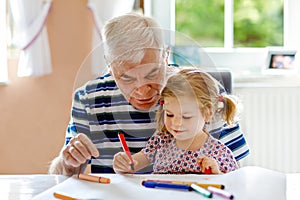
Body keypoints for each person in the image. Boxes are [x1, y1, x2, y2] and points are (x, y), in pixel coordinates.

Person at [48, 13, 249, 176]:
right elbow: (61, 177)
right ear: (110, 67)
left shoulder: (201, 90)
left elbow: (236, 174)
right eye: (127, 78)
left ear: (166, 56)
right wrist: (69, 163)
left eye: (152, 73)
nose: (142, 90)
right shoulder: (88, 99)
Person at [113, 69, 239, 174]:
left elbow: (233, 187)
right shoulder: (160, 141)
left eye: (186, 117)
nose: (176, 123)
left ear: (208, 113)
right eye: (170, 114)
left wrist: (217, 174)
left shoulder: (219, 153)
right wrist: (123, 164)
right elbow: (133, 165)